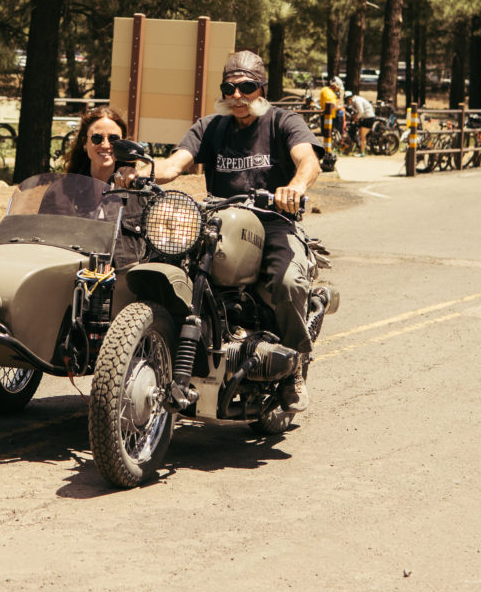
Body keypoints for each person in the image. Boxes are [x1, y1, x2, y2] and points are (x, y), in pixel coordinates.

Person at [116, 50, 324, 412]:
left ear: (261, 88)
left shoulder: (283, 122)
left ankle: (293, 370)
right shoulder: (210, 127)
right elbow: (175, 164)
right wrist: (142, 173)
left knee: (289, 283)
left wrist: (295, 187)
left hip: (273, 220)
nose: (237, 96)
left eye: (246, 87)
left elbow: (309, 160)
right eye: (230, 87)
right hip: (218, 221)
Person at [64, 105, 127, 184]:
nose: (105, 145)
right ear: (85, 143)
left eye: (113, 138)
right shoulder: (67, 187)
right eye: (97, 138)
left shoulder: (133, 188)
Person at [346, 90, 375, 156]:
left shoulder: (357, 101)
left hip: (368, 117)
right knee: (361, 135)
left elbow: (361, 112)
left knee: (362, 136)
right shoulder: (356, 100)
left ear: (350, 98)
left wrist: (356, 118)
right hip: (365, 118)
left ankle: (362, 152)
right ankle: (362, 150)